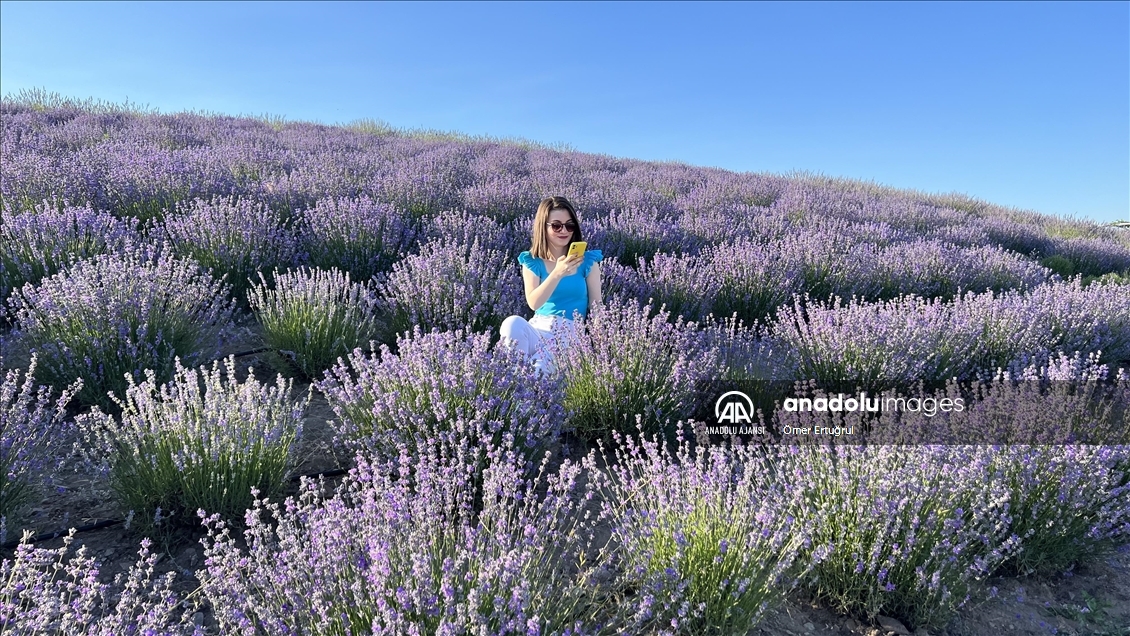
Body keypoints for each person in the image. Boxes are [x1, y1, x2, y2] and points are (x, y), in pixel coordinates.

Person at [499, 196, 602, 374]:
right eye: (556, 225)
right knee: (511, 323)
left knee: (537, 372)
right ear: (543, 227)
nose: (564, 231)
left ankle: (520, 387)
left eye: (569, 225)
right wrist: (557, 273)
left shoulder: (588, 262)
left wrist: (599, 350)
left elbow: (597, 308)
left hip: (569, 335)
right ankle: (512, 381)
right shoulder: (532, 261)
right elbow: (534, 303)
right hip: (538, 329)